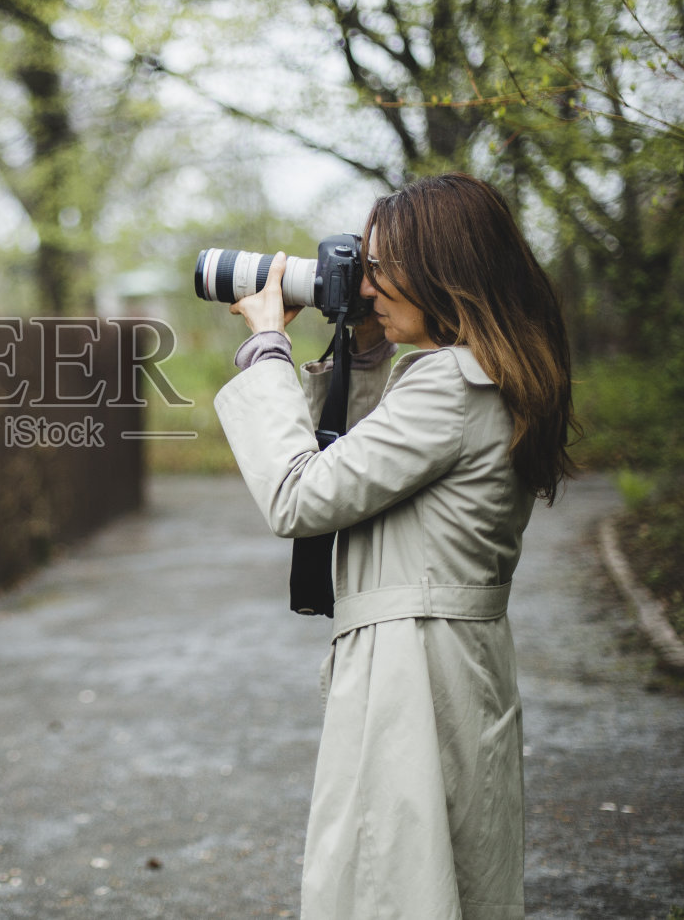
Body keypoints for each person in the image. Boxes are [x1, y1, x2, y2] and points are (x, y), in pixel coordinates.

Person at [214, 172, 575, 920]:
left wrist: (267, 349)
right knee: (435, 875)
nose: (367, 284)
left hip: (415, 669)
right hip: (444, 657)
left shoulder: (451, 388)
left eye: (381, 266)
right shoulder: (474, 377)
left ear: (444, 271)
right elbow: (364, 457)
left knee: (393, 883)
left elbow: (300, 495)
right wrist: (365, 345)